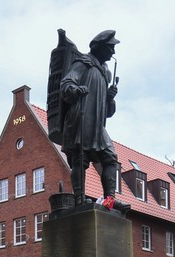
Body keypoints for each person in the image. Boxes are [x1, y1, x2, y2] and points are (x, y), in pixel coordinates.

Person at [59, 30, 129, 212]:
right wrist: (76, 89)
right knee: (79, 160)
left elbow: (107, 112)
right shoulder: (83, 63)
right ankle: (79, 200)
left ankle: (109, 200)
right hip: (80, 119)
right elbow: (66, 85)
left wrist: (110, 98)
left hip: (97, 124)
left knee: (110, 158)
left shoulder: (105, 73)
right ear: (99, 47)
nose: (113, 52)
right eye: (110, 48)